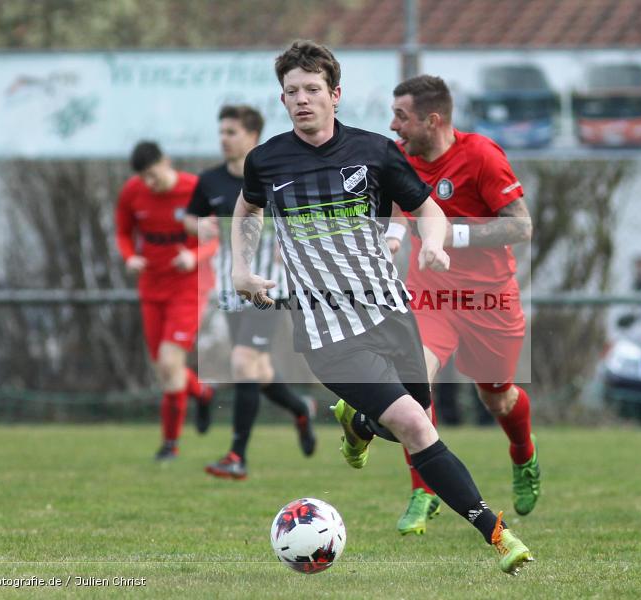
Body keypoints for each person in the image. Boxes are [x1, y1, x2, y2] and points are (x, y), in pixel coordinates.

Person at [231, 39, 533, 574]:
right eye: (292, 92)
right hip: (327, 330)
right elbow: (248, 205)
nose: (302, 100)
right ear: (283, 100)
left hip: (391, 314)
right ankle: (498, 535)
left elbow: (428, 210)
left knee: (404, 419)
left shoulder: (374, 151)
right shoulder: (268, 158)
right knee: (418, 426)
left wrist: (435, 242)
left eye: (312, 90)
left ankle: (358, 424)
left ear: (335, 95)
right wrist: (240, 265)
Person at [385, 75, 539, 536]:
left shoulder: (482, 157)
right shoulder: (400, 158)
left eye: (402, 117)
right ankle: (423, 491)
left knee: (497, 396)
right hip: (430, 296)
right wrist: (394, 236)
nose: (395, 127)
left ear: (433, 120)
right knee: (413, 386)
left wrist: (454, 234)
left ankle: (523, 454)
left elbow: (521, 227)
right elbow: (395, 206)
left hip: (488, 300)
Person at [184, 105, 316, 480]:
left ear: (252, 136)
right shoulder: (209, 181)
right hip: (232, 286)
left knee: (242, 362)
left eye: (231, 132)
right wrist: (199, 228)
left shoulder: (275, 176)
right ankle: (300, 408)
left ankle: (236, 456)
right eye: (221, 131)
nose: (224, 138)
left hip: (271, 285)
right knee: (257, 370)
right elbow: (190, 217)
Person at [115, 141, 217, 461]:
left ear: (166, 162)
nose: (149, 183)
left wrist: (194, 255)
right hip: (152, 287)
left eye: (153, 175)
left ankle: (170, 445)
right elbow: (122, 232)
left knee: (170, 362)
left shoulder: (195, 189)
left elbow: (215, 238)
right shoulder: (132, 192)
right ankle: (202, 392)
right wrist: (130, 257)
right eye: (143, 177)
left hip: (189, 286)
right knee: (163, 367)